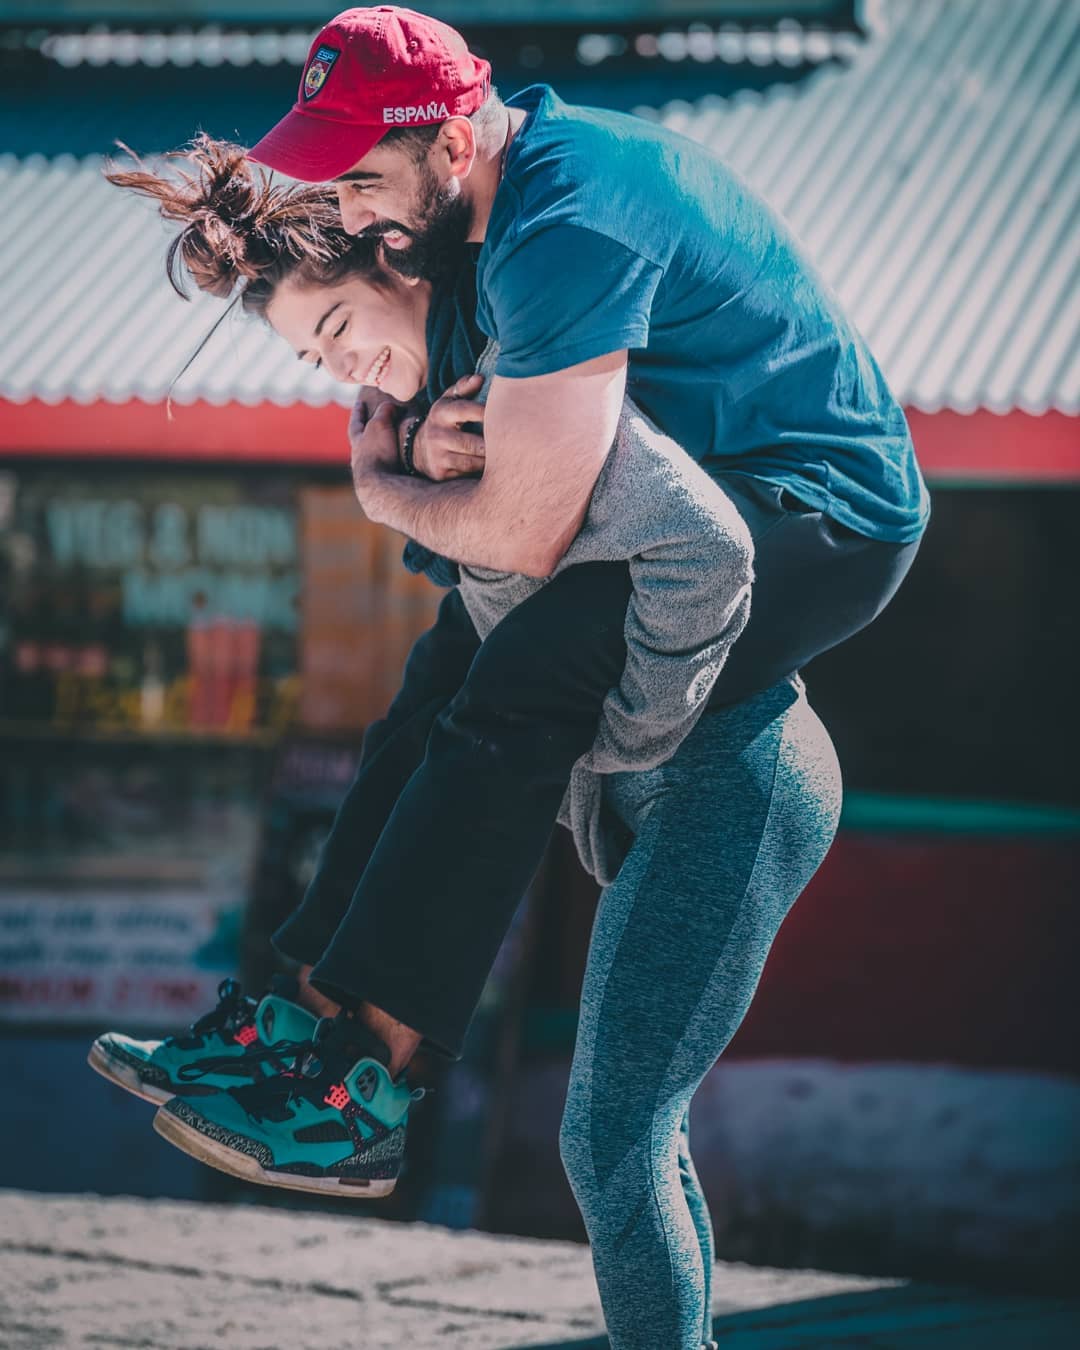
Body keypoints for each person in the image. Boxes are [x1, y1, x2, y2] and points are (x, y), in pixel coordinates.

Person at [93, 132, 871, 1348]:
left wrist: (627, 733)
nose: (345, 372)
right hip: (670, 781)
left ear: (404, 260)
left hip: (739, 782)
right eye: (317, 360)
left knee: (611, 1141)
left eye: (340, 332)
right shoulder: (457, 400)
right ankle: (295, 1018)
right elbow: (509, 619)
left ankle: (372, 1084)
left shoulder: (548, 378)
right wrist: (436, 491)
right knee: (438, 676)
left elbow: (703, 557)